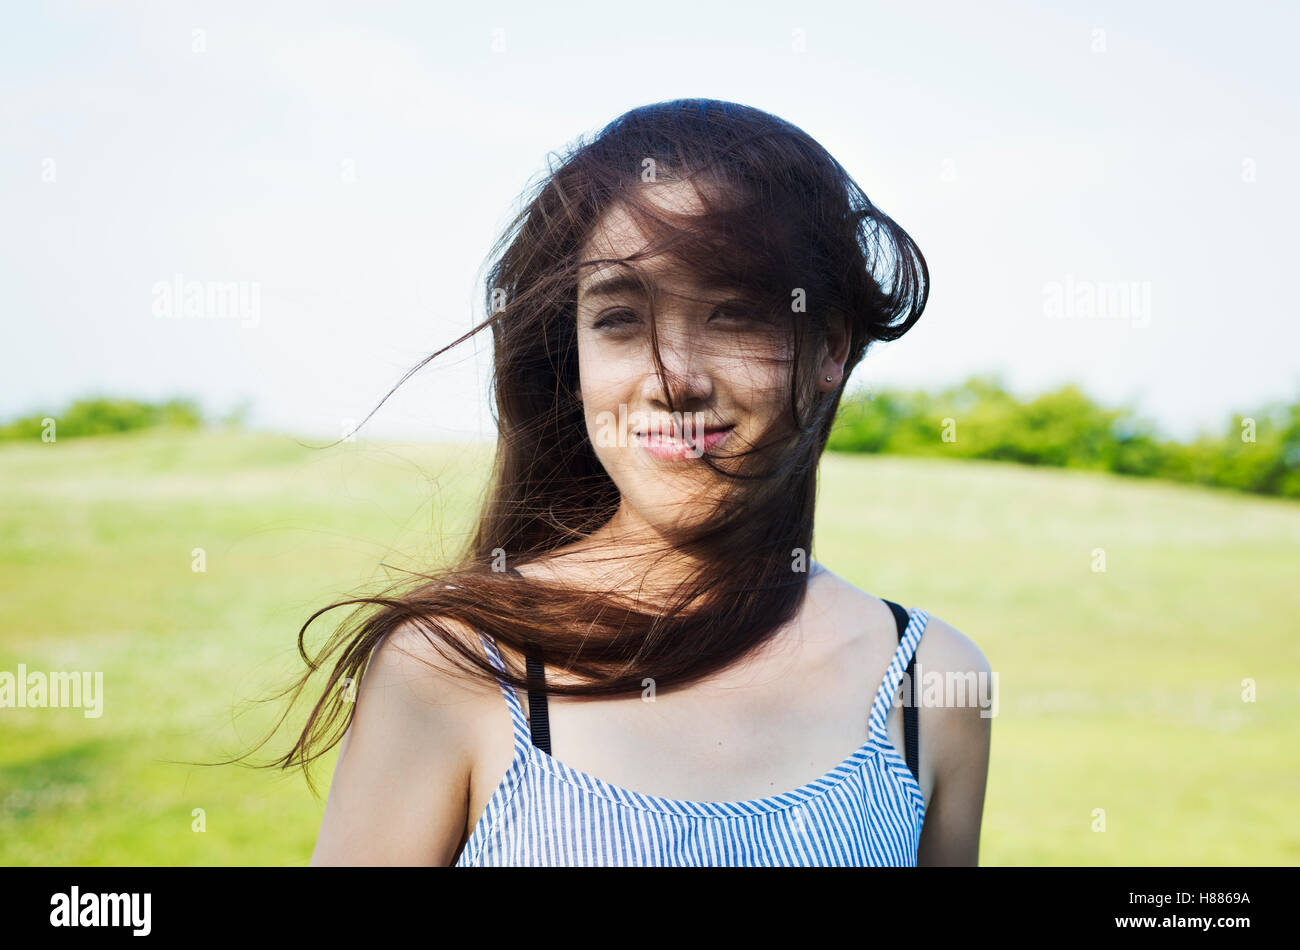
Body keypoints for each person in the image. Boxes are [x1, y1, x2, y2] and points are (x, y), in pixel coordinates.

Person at [301, 98, 991, 866]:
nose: (673, 380)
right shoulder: (454, 662)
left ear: (828, 344)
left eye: (734, 315)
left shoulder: (933, 684)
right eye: (620, 319)